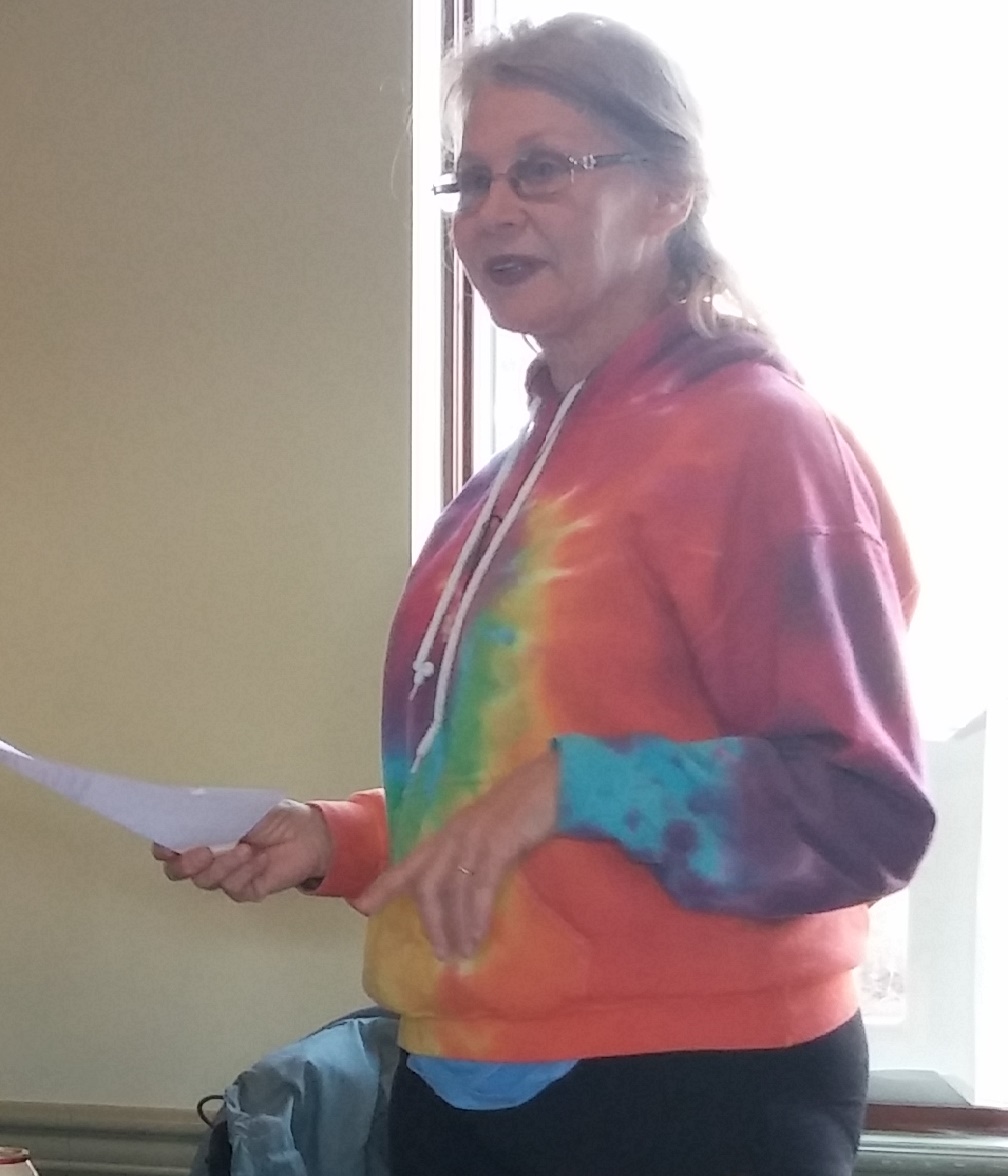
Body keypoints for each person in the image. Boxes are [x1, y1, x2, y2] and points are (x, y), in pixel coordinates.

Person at [155, 14, 936, 1175]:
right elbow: (501, 781)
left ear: (671, 189)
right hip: (462, 1073)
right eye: (470, 180)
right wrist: (338, 838)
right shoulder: (507, 484)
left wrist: (580, 781)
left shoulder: (756, 438)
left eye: (544, 169)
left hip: (690, 1092)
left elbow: (861, 807)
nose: (492, 211)